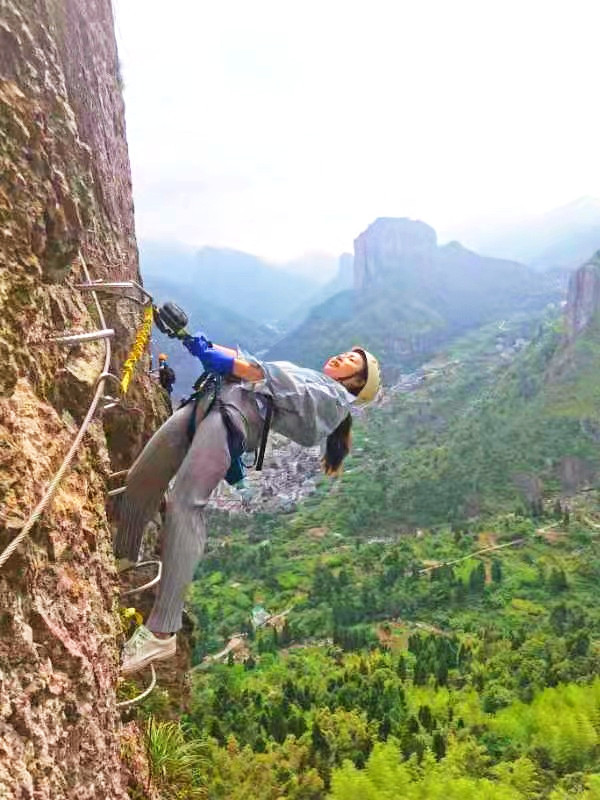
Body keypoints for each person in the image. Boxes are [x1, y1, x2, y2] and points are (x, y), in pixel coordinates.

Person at [114, 332, 381, 674]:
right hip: (213, 402)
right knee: (142, 476)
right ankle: (123, 555)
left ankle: (162, 631)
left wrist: (224, 359)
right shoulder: (308, 375)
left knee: (185, 503)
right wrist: (199, 342)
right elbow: (255, 364)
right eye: (345, 353)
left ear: (355, 383)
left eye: (351, 362)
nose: (341, 357)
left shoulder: (332, 398)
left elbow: (262, 374)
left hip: (231, 421)